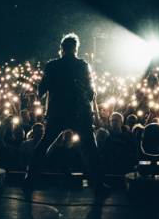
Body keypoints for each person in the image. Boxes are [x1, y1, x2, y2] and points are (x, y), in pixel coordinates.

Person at [26, 33, 107, 191]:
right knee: (90, 149)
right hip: (79, 113)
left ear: (61, 49)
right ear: (76, 49)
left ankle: (29, 179)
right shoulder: (83, 65)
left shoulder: (52, 66)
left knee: (44, 144)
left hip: (57, 112)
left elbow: (41, 91)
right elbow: (90, 93)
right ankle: (98, 184)